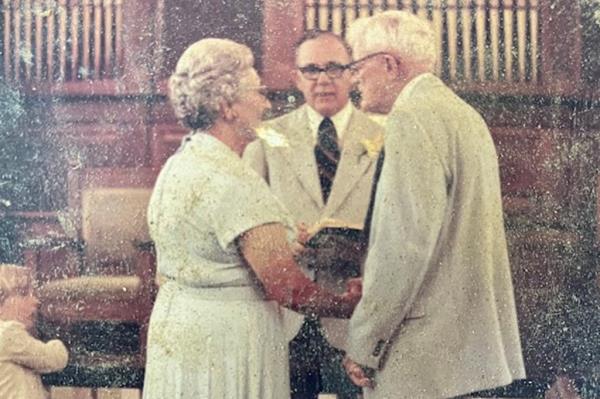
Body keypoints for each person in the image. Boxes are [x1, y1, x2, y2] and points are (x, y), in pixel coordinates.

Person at [142, 38, 362, 399]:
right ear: (227, 106)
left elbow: (212, 250)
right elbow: (288, 288)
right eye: (257, 92)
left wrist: (284, 241)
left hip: (183, 329)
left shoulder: (179, 163)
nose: (265, 102)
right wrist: (348, 305)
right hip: (228, 341)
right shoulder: (234, 180)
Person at [342, 10, 526, 399]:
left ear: (389, 64)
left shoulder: (411, 116)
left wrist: (363, 343)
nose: (352, 77)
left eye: (357, 65)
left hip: (420, 354)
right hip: (462, 354)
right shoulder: (462, 113)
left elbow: (404, 246)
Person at [243, 30, 384, 399]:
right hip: (287, 312)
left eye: (335, 68)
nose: (323, 79)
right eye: (311, 69)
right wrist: (285, 241)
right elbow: (248, 219)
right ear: (296, 77)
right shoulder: (267, 139)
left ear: (353, 73)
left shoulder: (384, 137)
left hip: (355, 308)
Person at [0, 265, 69, 399]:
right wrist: (58, 345)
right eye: (24, 294)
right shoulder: (8, 333)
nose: (35, 301)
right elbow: (53, 359)